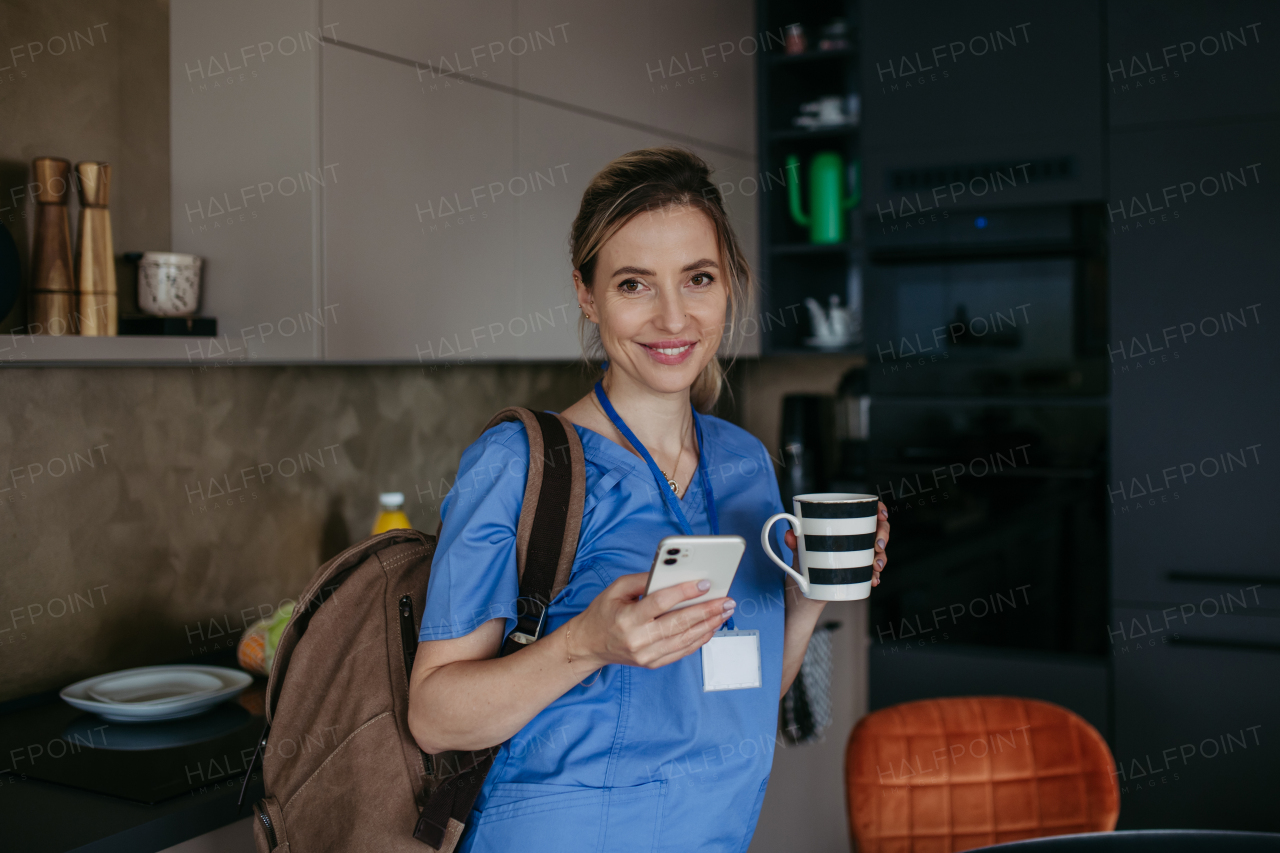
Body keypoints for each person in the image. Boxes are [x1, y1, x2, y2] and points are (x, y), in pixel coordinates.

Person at [407, 147, 891, 853]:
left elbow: (743, 689)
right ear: (586, 293)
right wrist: (586, 644)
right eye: (634, 284)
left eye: (698, 278)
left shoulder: (744, 461)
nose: (674, 317)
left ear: (730, 285)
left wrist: (813, 590)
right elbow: (434, 716)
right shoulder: (517, 465)